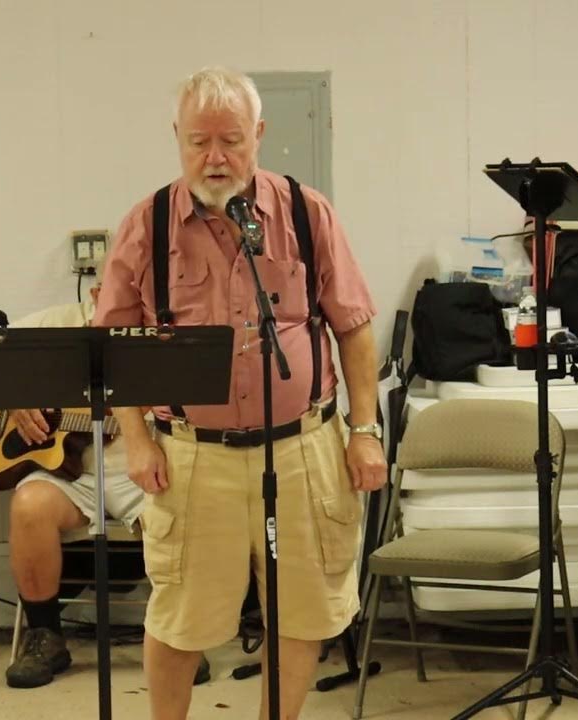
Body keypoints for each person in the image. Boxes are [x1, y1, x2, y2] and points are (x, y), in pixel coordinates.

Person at [93, 67, 388, 720]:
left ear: (259, 135)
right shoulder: (147, 224)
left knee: (304, 612)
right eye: (199, 142)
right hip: (193, 458)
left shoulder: (307, 215)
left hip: (305, 451)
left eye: (231, 140)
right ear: (177, 137)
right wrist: (136, 440)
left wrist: (364, 432)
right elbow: (110, 343)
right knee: (179, 620)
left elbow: (355, 329)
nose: (215, 157)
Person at [0, 285, 211, 688]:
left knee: (181, 510)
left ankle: (177, 638)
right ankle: (45, 636)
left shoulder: (165, 336)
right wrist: (15, 399)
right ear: (96, 290)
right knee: (28, 506)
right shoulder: (57, 324)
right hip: (71, 474)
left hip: (147, 466)